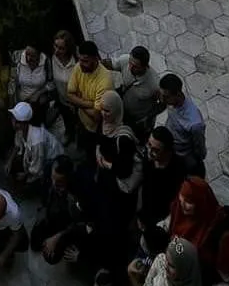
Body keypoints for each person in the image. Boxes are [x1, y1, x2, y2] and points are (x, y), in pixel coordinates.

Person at [95, 92, 143, 233]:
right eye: (102, 109)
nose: (103, 114)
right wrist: (98, 152)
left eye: (107, 110)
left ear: (116, 110)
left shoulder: (124, 138)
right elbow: (100, 138)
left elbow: (125, 169)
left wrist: (107, 164)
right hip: (106, 174)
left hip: (118, 183)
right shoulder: (106, 122)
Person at [137, 126, 187, 235]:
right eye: (149, 145)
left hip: (162, 216)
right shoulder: (148, 160)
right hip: (145, 209)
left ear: (167, 152)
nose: (150, 151)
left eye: (156, 150)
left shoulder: (178, 169)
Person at [67, 39, 112, 157]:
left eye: (85, 61)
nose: (81, 63)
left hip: (95, 129)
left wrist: (78, 102)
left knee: (92, 153)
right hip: (81, 120)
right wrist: (91, 104)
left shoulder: (105, 80)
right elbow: (70, 94)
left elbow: (97, 117)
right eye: (80, 59)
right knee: (82, 143)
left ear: (95, 59)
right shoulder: (79, 67)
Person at [105, 45, 161, 138]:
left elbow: (162, 103)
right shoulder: (125, 60)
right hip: (123, 110)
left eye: (135, 66)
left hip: (139, 120)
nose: (130, 67)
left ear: (145, 66)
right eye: (130, 63)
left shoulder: (154, 84)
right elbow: (111, 64)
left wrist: (147, 118)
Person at [158, 75, 207, 176]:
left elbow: (199, 147)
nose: (162, 100)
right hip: (169, 147)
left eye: (166, 97)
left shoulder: (194, 123)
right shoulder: (171, 102)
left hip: (183, 156)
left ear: (178, 94)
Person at [7, 100, 63, 188]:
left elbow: (37, 167)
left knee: (28, 186)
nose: (12, 121)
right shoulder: (20, 130)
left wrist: (25, 174)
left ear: (23, 123)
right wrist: (9, 161)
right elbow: (17, 145)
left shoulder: (37, 140)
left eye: (14, 119)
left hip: (52, 159)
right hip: (38, 157)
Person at [12, 44, 53, 115]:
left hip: (39, 104)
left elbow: (52, 83)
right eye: (27, 54)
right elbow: (12, 82)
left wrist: (38, 93)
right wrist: (15, 102)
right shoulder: (17, 58)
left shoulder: (46, 61)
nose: (28, 58)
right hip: (21, 103)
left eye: (33, 56)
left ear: (39, 55)